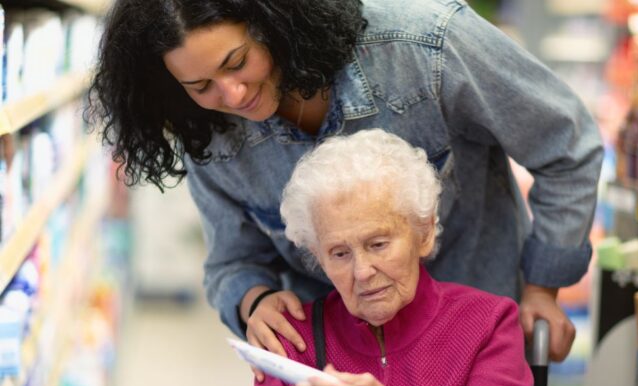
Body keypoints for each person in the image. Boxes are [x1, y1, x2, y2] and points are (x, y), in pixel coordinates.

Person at [87, 0, 603, 363]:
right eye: (201, 85)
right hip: (341, 377)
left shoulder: (425, 48)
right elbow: (233, 261)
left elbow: (567, 144)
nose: (234, 93)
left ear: (272, 19)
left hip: (479, 351)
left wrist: (542, 289)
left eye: (238, 62)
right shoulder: (210, 133)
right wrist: (254, 301)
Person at [229, 129, 541, 386]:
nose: (362, 272)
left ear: (423, 232)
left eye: (378, 244)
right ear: (317, 256)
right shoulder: (292, 337)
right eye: (339, 253)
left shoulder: (485, 323)